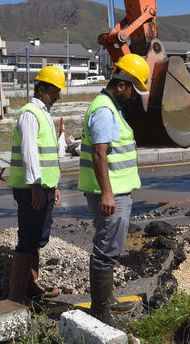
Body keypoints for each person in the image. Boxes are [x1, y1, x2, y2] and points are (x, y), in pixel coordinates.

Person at [78, 53, 149, 325]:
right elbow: (99, 154)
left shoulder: (108, 107)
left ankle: (106, 302)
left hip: (115, 191)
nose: (133, 96)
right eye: (132, 90)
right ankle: (101, 311)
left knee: (109, 247)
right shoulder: (105, 110)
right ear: (121, 84)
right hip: (111, 194)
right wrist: (107, 193)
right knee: (106, 249)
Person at [6, 65, 65, 304]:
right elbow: (29, 153)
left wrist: (53, 185)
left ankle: (32, 285)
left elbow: (46, 156)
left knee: (37, 240)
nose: (59, 95)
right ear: (42, 89)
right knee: (27, 240)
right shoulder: (30, 114)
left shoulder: (43, 113)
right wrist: (36, 186)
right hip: (32, 189)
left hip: (43, 186)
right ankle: (16, 295)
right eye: (55, 90)